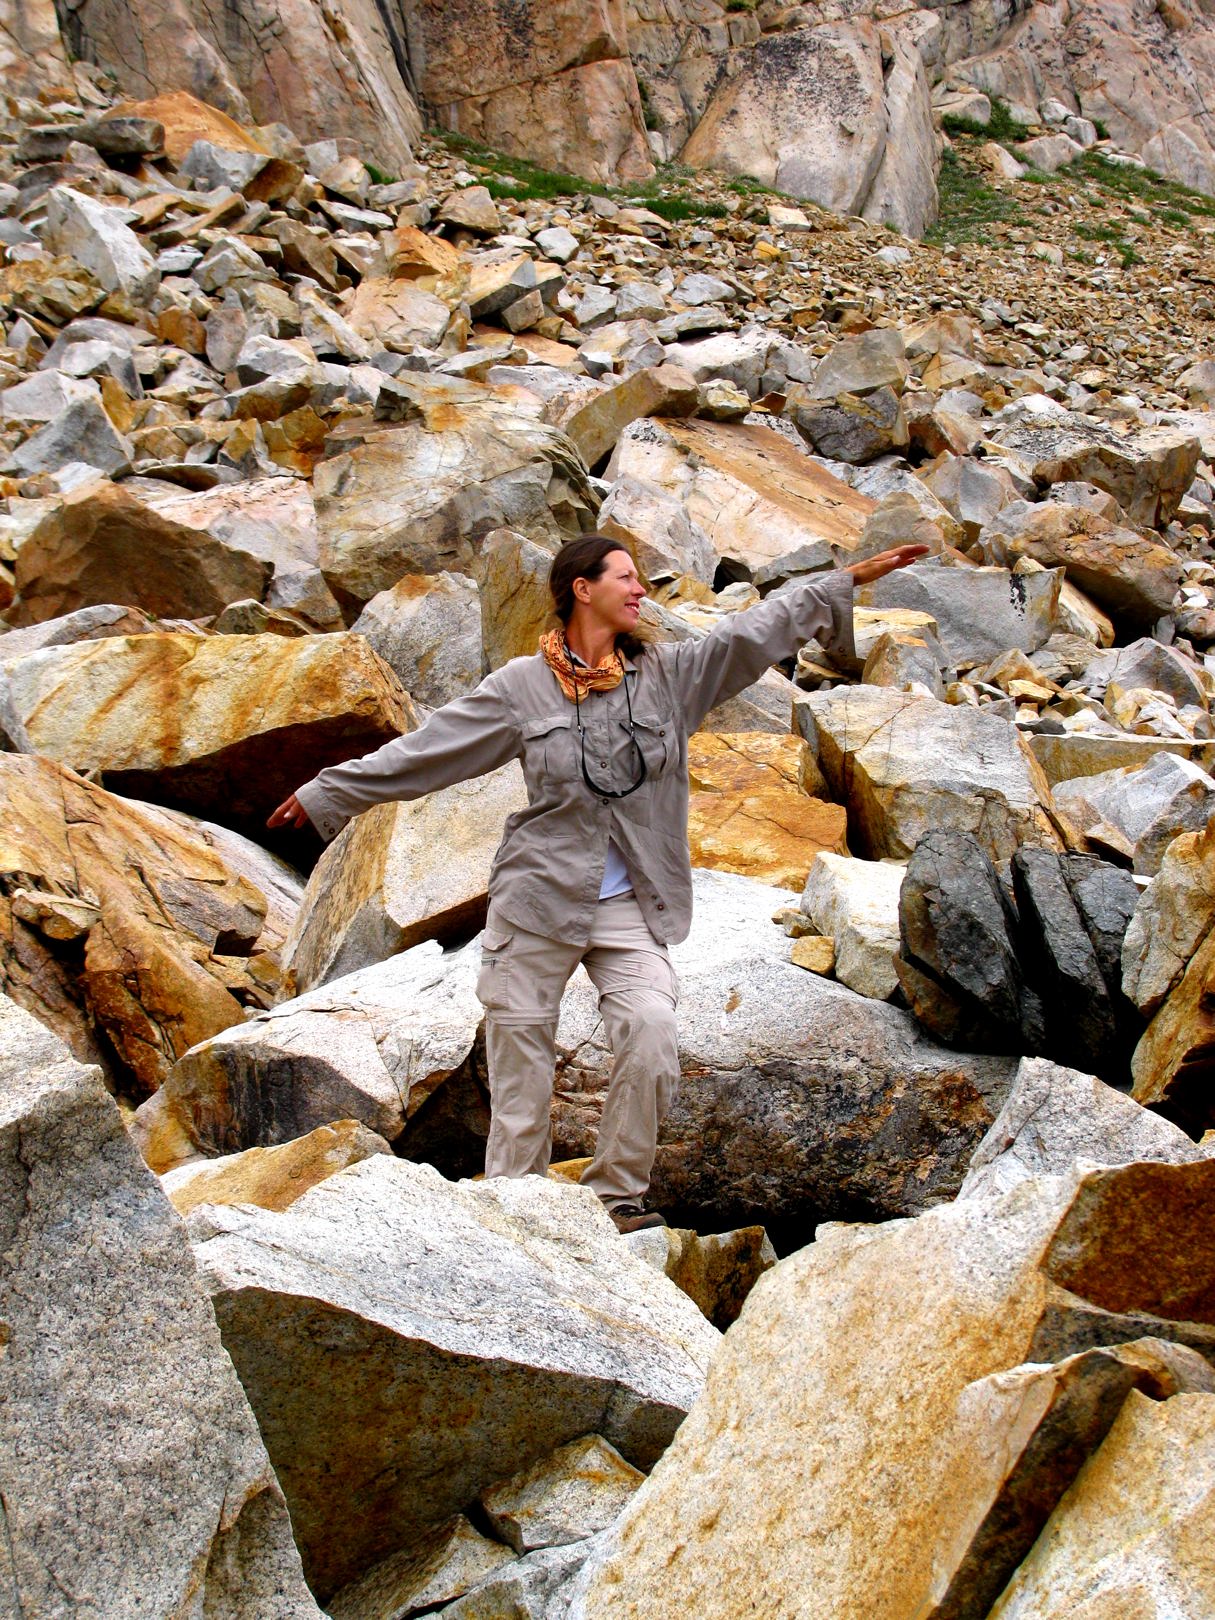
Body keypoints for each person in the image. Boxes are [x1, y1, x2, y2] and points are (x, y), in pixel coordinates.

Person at [269, 534, 927, 1232]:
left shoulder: (672, 676)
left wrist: (840, 581)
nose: (640, 590)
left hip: (631, 903)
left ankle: (614, 1201)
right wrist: (326, 793)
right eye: (625, 577)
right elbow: (427, 752)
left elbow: (748, 633)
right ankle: (518, 1209)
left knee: (651, 1035)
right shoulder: (520, 687)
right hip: (537, 898)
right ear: (582, 589)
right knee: (520, 1063)